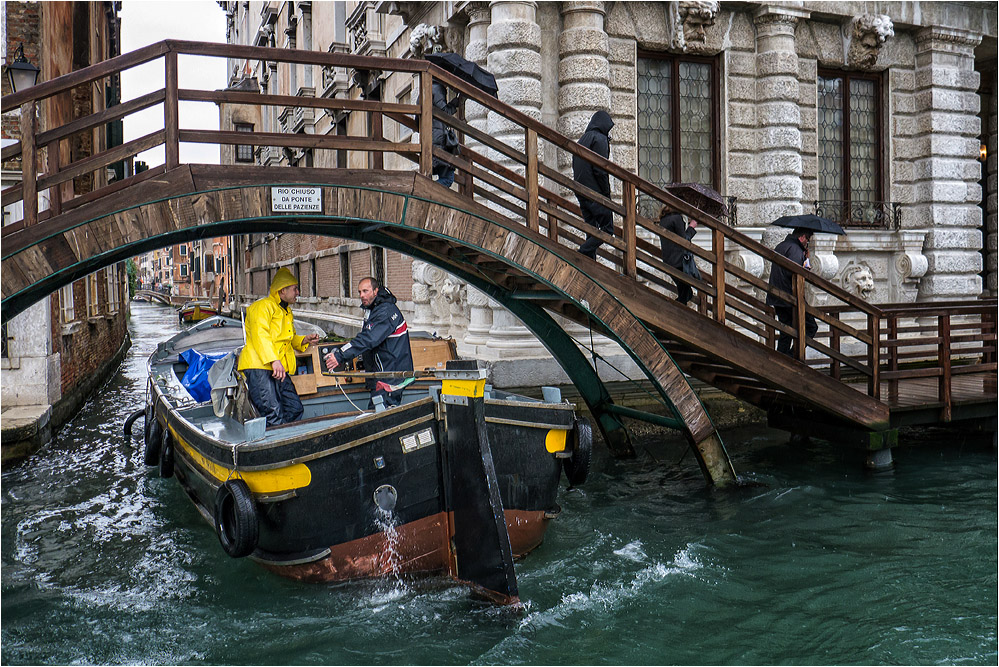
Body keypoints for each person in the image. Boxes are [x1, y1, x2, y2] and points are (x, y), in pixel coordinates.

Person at [237, 267, 319, 426]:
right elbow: (260, 335)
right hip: (260, 367)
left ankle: (286, 438)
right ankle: (278, 442)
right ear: (282, 291)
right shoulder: (262, 307)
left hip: (277, 368)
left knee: (294, 408)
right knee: (272, 413)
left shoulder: (286, 312)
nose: (298, 292)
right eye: (295, 289)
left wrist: (304, 340)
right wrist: (274, 360)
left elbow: (286, 338)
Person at [324, 277, 414, 409]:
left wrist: (340, 355)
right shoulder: (374, 309)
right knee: (376, 413)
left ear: (376, 291)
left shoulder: (385, 312)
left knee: (380, 416)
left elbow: (367, 339)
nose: (361, 295)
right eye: (360, 292)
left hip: (389, 377)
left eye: (365, 291)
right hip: (383, 375)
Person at [767, 227, 819, 357]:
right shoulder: (796, 249)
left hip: (776, 295)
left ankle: (781, 358)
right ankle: (792, 356)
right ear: (802, 237)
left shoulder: (781, 246)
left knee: (787, 329)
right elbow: (795, 272)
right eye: (808, 239)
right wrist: (805, 267)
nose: (807, 242)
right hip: (789, 296)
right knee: (811, 326)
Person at [572, 110, 615, 259]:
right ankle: (583, 252)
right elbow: (601, 170)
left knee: (591, 229)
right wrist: (607, 194)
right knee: (607, 229)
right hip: (594, 192)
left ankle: (589, 262)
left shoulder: (583, 139)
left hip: (580, 190)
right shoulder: (600, 139)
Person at [659, 204, 698, 305]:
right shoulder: (677, 218)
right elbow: (684, 240)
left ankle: (675, 310)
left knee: (685, 292)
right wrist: (691, 227)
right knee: (686, 294)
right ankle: (672, 310)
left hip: (668, 260)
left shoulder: (663, 220)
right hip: (679, 262)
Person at [432, 81, 462, 188]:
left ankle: (426, 192)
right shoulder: (438, 89)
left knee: (444, 176)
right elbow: (444, 113)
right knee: (448, 179)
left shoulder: (426, 87)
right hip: (440, 140)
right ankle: (425, 191)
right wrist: (455, 103)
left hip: (433, 139)